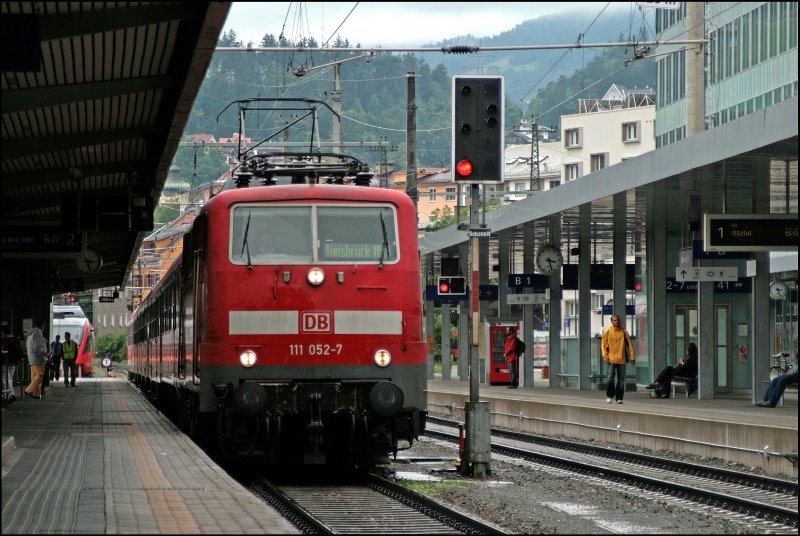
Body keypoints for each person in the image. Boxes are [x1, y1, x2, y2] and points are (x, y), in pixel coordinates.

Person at [601, 314, 635, 404]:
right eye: (614, 320)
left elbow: (629, 345)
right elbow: (603, 345)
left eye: (617, 320)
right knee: (610, 378)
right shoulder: (608, 331)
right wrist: (605, 356)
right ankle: (609, 396)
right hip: (611, 358)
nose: (616, 322)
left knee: (621, 380)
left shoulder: (624, 332)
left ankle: (619, 398)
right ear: (611, 321)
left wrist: (632, 357)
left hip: (621, 359)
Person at [24, 320, 49, 400]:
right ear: (42, 325)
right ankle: (28, 390)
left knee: (35, 376)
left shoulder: (31, 334)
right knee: (40, 376)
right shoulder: (37, 333)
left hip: (32, 358)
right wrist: (45, 353)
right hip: (37, 359)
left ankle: (36, 394)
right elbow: (37, 347)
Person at [2, 325, 23, 404]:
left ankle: (11, 394)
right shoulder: (15, 339)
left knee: (5, 378)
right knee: (9, 378)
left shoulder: (5, 340)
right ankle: (7, 396)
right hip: (14, 361)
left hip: (6, 361)